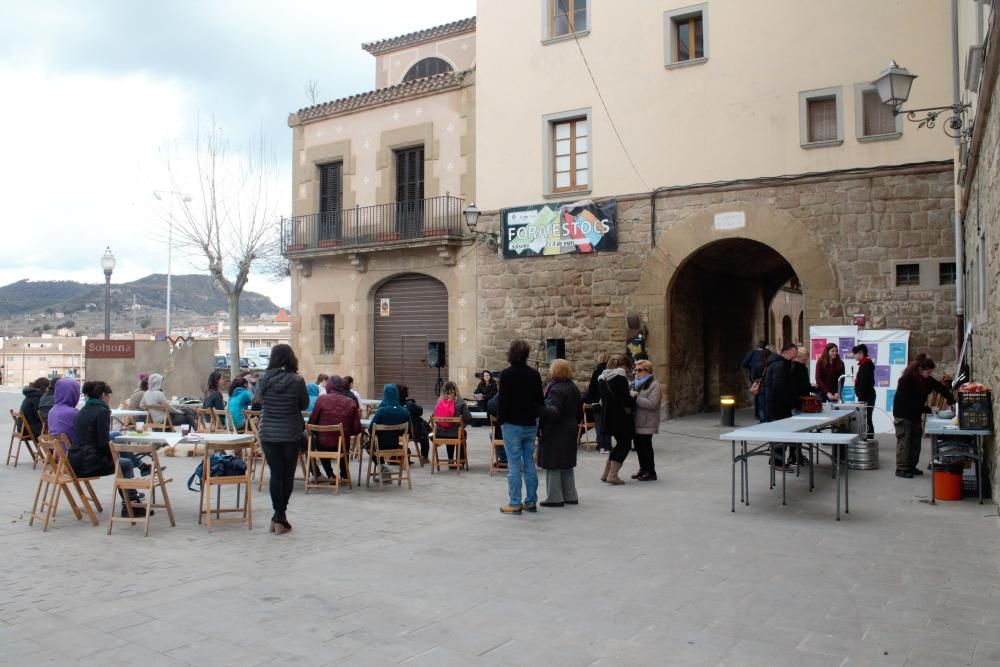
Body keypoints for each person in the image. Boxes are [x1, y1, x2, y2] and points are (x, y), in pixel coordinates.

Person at [70, 381, 148, 515]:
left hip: (75, 459)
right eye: (109, 395)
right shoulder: (102, 412)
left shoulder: (83, 409)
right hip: (89, 463)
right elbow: (102, 443)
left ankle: (132, 500)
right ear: (103, 395)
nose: (109, 398)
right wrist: (116, 455)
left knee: (119, 446)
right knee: (126, 464)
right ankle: (131, 505)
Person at [255, 344, 309, 535]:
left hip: (268, 433)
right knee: (287, 475)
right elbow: (304, 404)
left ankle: (278, 516)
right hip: (290, 433)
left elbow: (258, 402)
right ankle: (280, 516)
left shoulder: (262, 380)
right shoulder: (297, 381)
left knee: (276, 474)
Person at [497, 340, 544, 515]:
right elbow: (539, 401)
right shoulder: (534, 374)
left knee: (514, 465)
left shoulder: (507, 374)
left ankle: (515, 502)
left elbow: (503, 401)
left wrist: (500, 421)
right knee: (529, 463)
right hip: (530, 423)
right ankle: (531, 501)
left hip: (512, 424)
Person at [893, 355, 954, 479]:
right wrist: (929, 409)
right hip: (903, 413)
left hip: (915, 414)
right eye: (928, 372)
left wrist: (951, 399)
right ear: (920, 369)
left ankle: (911, 466)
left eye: (931, 372)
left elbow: (939, 387)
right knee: (905, 441)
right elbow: (909, 402)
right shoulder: (906, 380)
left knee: (916, 441)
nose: (929, 374)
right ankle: (902, 468)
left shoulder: (926, 379)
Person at [538, 359, 582, 508]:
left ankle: (554, 497)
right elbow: (579, 411)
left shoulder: (556, 389)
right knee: (566, 463)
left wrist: (540, 407)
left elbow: (554, 412)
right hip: (570, 428)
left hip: (556, 430)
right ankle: (570, 495)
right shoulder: (573, 387)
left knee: (554, 463)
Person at [307, 375, 361, 482]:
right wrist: (345, 432)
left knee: (320, 441)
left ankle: (330, 474)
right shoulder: (350, 402)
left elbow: (311, 423)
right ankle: (345, 475)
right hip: (342, 445)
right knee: (343, 441)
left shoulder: (321, 400)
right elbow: (357, 429)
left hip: (322, 444)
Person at [598, 354, 635, 485]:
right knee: (625, 444)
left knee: (619, 444)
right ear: (623, 365)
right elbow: (625, 399)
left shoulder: (602, 378)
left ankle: (606, 474)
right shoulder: (620, 377)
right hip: (621, 417)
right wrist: (633, 398)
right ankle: (612, 475)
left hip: (608, 417)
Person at [764, 343, 800, 469]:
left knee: (781, 432)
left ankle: (775, 460)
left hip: (778, 403)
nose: (795, 358)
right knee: (781, 433)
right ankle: (777, 462)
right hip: (779, 405)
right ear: (787, 352)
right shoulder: (780, 365)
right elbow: (779, 386)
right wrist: (790, 401)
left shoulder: (780, 363)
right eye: (794, 355)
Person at [368, 383, 412, 479]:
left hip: (379, 445)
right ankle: (384, 468)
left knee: (368, 446)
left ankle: (382, 466)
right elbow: (408, 431)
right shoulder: (404, 412)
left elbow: (370, 429)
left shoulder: (381, 411)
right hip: (395, 445)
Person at [631, 358, 662, 481]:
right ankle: (643, 469)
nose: (636, 372)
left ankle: (651, 471)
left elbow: (653, 404)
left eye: (639, 370)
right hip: (636, 421)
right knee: (638, 447)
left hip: (647, 421)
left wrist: (636, 397)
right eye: (635, 369)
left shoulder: (654, 385)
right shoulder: (635, 383)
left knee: (646, 447)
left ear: (647, 371)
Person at [432, 381, 473, 464]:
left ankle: (450, 460)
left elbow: (435, 416)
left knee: (450, 431)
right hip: (455, 434)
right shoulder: (460, 402)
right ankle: (461, 461)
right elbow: (468, 417)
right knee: (461, 433)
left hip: (439, 434)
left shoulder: (439, 401)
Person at [742, 341, 776, 423]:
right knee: (767, 399)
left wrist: (751, 368)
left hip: (756, 378)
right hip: (767, 380)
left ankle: (760, 415)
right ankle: (767, 417)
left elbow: (744, 363)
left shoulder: (753, 353)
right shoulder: (769, 354)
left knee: (758, 395)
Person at [585, 352, 611, 453]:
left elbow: (591, 389)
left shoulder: (596, 371)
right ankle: (608, 446)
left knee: (599, 424)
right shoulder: (611, 371)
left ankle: (601, 446)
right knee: (608, 424)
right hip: (608, 402)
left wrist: (590, 400)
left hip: (597, 402)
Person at [398, 384, 431, 464]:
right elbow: (420, 411)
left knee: (421, 423)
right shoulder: (410, 405)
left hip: (396, 433)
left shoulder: (394, 406)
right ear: (406, 394)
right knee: (423, 432)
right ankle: (424, 456)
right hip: (412, 433)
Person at [852, 344, 876, 440]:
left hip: (866, 396)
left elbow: (864, 383)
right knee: (867, 417)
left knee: (867, 418)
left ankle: (869, 437)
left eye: (855, 353)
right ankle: (868, 436)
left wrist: (859, 394)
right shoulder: (865, 365)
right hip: (867, 395)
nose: (854, 356)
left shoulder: (865, 366)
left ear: (861, 353)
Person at [47, 378, 81, 444]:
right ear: (74, 394)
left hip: (56, 452)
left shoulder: (52, 411)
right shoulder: (73, 413)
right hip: (70, 452)